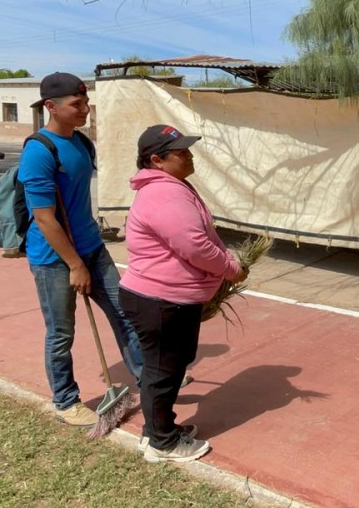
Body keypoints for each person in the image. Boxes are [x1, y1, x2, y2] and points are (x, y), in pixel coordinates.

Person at [18, 72, 143, 427]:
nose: (85, 109)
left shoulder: (82, 142)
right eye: (77, 104)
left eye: (86, 102)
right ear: (50, 106)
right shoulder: (38, 152)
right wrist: (75, 264)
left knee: (126, 313)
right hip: (55, 260)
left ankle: (147, 376)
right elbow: (44, 218)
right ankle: (65, 400)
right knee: (61, 332)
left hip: (92, 247)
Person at [119, 124, 247, 464]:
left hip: (163, 299)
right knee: (163, 371)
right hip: (161, 301)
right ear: (157, 159)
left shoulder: (168, 186)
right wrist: (231, 269)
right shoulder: (164, 194)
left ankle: (157, 430)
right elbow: (195, 245)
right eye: (182, 152)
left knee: (165, 368)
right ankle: (162, 443)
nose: (190, 156)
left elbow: (196, 237)